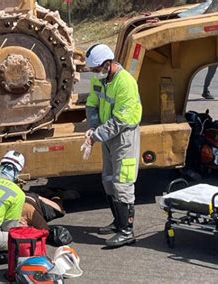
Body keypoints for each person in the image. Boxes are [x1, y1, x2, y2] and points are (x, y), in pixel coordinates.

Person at [82, 43, 142, 248]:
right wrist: (92, 128)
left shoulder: (125, 83)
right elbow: (91, 104)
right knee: (108, 180)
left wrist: (95, 136)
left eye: (97, 70)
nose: (95, 74)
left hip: (124, 137)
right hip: (106, 136)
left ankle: (127, 231)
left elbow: (120, 120)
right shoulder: (100, 80)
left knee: (122, 182)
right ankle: (118, 222)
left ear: (108, 64)